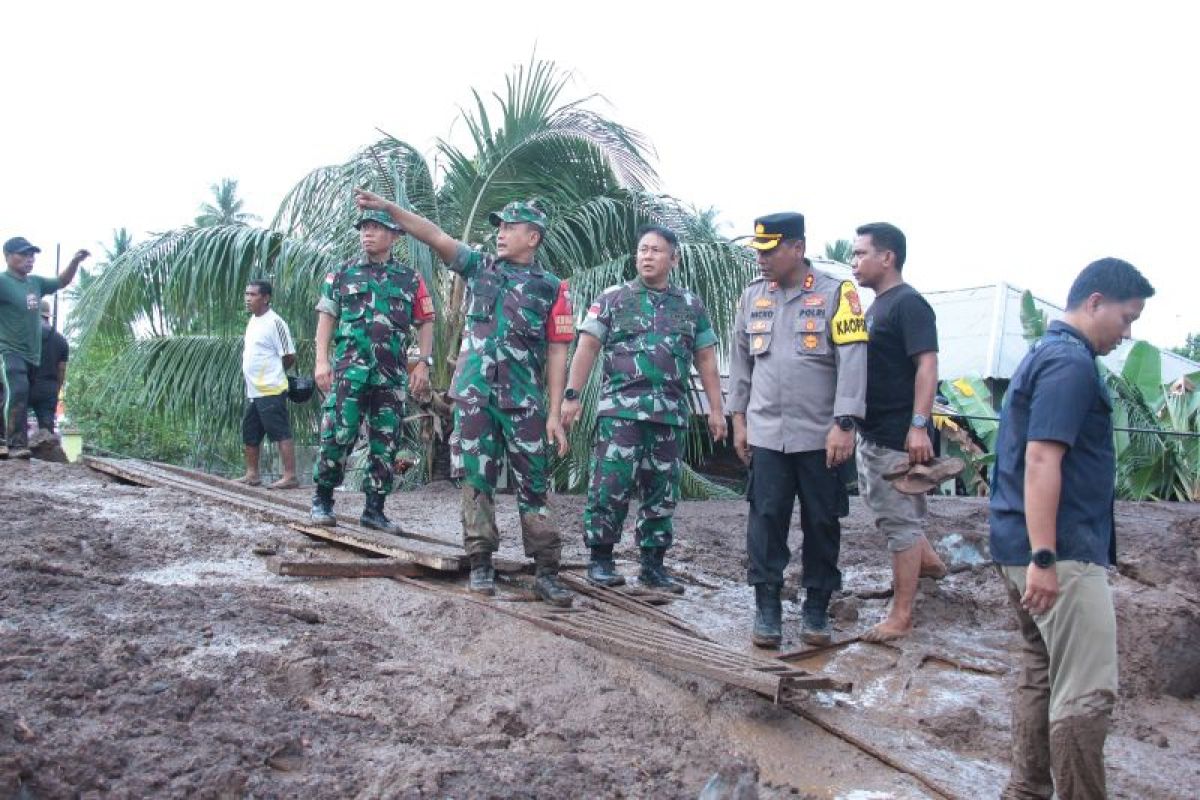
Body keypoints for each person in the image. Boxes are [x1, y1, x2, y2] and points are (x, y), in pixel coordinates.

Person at [351, 188, 576, 608]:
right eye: (500, 228)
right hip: (474, 397)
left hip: (524, 401)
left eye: (511, 228)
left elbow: (559, 349)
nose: (502, 235)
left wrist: (555, 412)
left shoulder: (551, 288)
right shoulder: (479, 268)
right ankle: (481, 563)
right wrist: (387, 209)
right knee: (476, 481)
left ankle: (546, 572)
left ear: (534, 237)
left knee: (535, 484)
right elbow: (433, 234)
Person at [989, 258, 1154, 799]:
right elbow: (1040, 460)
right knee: (1085, 694)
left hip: (1021, 544)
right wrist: (1044, 557)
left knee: (1041, 673)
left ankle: (1026, 788)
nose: (1127, 334)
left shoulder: (1043, 354)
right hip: (1057, 553)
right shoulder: (1070, 364)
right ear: (1095, 301)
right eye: (1126, 318)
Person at [728, 213, 868, 648]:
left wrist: (844, 423)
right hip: (767, 433)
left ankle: (816, 606)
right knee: (765, 520)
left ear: (797, 248)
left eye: (770, 250)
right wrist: (738, 420)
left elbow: (853, 361)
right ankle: (767, 606)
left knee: (822, 522)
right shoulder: (753, 297)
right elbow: (741, 362)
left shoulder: (836, 294)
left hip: (821, 436)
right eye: (759, 250)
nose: (761, 258)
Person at [561, 225, 727, 592]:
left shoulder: (690, 305)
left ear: (674, 258)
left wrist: (717, 409)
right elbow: (586, 347)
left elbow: (706, 358)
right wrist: (571, 395)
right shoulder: (614, 298)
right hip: (620, 414)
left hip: (669, 416)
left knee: (661, 493)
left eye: (655, 250)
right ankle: (601, 559)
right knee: (610, 487)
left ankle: (653, 566)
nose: (647, 256)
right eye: (642, 250)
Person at [849, 223, 947, 642]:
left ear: (887, 257)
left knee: (900, 524)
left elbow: (928, 366)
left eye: (860, 254)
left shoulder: (910, 305)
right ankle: (928, 563)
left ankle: (901, 615)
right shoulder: (876, 307)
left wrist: (919, 427)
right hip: (873, 433)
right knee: (888, 512)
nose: (854, 262)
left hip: (898, 436)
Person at [310, 209, 435, 534]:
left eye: (376, 228)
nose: (367, 233)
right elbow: (326, 317)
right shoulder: (342, 273)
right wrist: (321, 361)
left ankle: (374, 510)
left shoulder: (410, 279)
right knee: (339, 433)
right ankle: (322, 500)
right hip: (350, 372)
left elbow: (425, 320)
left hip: (390, 376)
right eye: (364, 227)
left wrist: (423, 361)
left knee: (385, 442)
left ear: (395, 235)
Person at [0, 237, 87, 460]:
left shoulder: (35, 283)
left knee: (14, 393)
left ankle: (14, 442)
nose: (30, 259)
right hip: (8, 350)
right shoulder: (3, 282)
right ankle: (12, 443)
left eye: (32, 255)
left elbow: (61, 281)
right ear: (8, 256)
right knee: (17, 390)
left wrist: (75, 262)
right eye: (24, 254)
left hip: (31, 355)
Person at [237, 280, 299, 489]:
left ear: (265, 298)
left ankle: (290, 476)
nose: (248, 299)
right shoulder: (253, 321)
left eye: (253, 295)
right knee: (250, 431)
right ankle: (252, 474)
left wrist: (273, 373)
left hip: (271, 388)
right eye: (246, 294)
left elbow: (289, 355)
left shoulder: (275, 322)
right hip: (254, 390)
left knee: (280, 431)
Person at [27, 300, 70, 439]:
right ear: (48, 316)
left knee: (16, 427)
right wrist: (56, 390)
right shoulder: (61, 341)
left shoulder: (24, 334)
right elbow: (61, 370)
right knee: (46, 433)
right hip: (48, 388)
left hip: (24, 384)